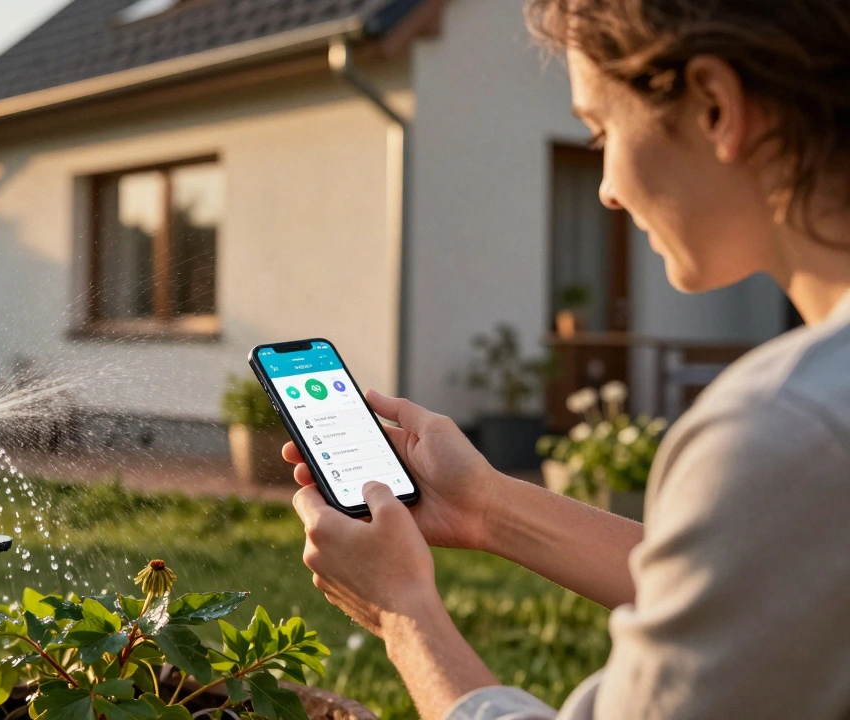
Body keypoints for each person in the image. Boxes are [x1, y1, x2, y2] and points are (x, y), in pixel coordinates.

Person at [286, 1, 850, 718]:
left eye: (601, 130)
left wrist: (403, 615)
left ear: (715, 106)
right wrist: (485, 505)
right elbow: (755, 587)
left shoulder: (787, 430)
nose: (607, 189)